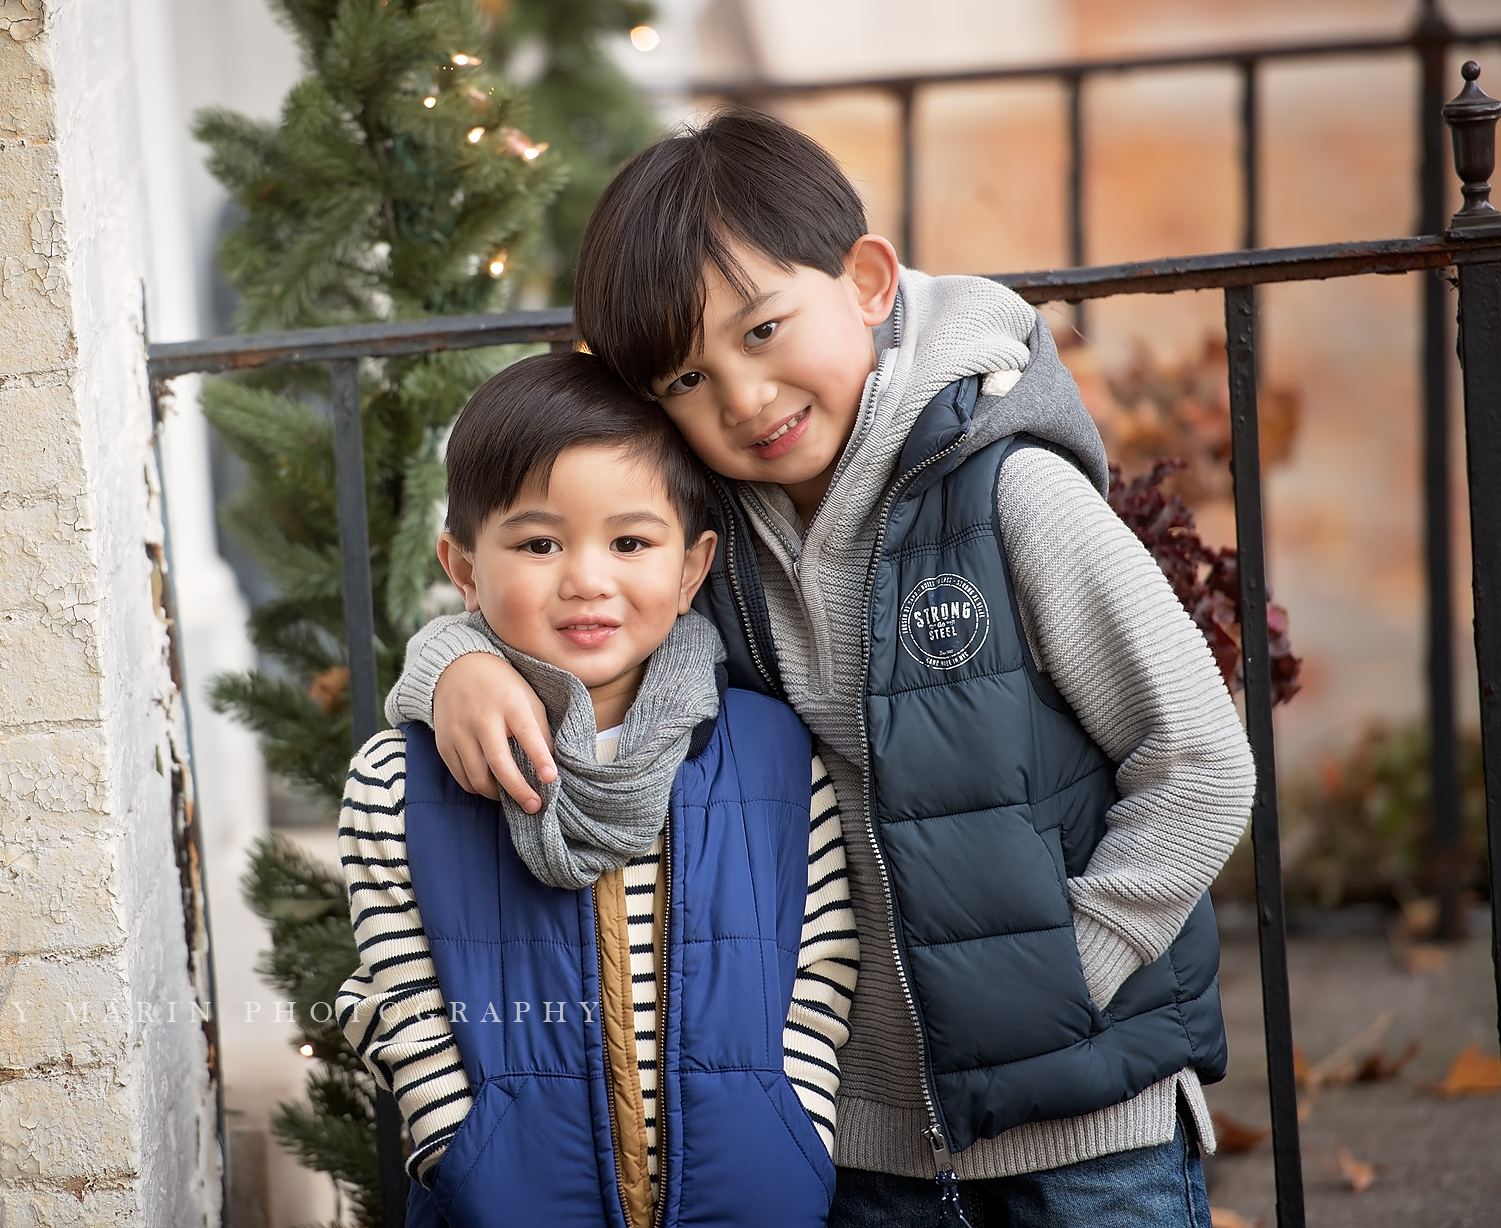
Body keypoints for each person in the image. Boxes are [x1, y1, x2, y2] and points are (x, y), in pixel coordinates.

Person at [386, 107, 1255, 1227]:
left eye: (760, 332)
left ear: (867, 281)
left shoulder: (1006, 497)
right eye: (685, 381)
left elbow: (1196, 764)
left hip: (1083, 1138)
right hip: (853, 1150)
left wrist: (1059, 976)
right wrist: (454, 663)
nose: (740, 400)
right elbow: (545, 584)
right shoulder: (713, 545)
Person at [336, 351, 859, 1228]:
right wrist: (462, 1149)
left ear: (692, 567)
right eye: (539, 543)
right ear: (463, 566)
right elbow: (401, 988)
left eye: (630, 541)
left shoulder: (771, 754)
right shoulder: (402, 776)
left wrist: (793, 1132)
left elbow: (825, 961)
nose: (585, 577)